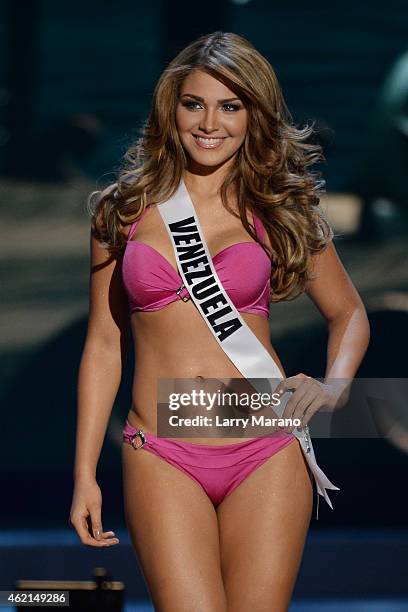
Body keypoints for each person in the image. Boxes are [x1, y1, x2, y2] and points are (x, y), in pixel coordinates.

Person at [69, 31, 370, 612]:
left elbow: (349, 312)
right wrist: (84, 473)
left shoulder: (280, 209)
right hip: (161, 448)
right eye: (195, 103)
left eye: (230, 106)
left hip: (266, 446)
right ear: (171, 109)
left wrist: (334, 388)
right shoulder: (123, 210)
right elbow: (105, 344)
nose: (210, 122)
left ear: (253, 116)